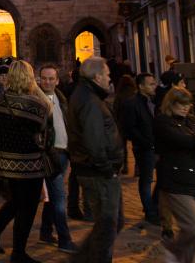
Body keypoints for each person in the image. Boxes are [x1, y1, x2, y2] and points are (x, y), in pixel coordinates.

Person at [0, 60, 50, 263]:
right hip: (29, 163)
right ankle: (18, 252)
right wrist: (36, 89)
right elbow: (46, 117)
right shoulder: (34, 103)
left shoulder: (4, 98)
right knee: (27, 208)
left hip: (7, 163)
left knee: (15, 202)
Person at [68, 56, 123, 263]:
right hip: (98, 172)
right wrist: (107, 168)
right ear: (97, 75)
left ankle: (80, 259)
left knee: (111, 223)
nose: (110, 78)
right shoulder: (90, 100)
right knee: (108, 226)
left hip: (95, 169)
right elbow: (94, 140)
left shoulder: (88, 95)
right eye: (107, 74)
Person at [155, 86, 195, 263]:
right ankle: (174, 250)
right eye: (180, 104)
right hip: (176, 181)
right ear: (171, 104)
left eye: (187, 104)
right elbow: (181, 140)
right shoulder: (163, 121)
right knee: (194, 226)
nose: (185, 107)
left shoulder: (192, 120)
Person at [39, 64, 78, 254]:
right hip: (51, 155)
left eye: (51, 78)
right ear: (39, 80)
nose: (47, 82)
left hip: (64, 152)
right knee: (59, 198)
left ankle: (46, 232)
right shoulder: (38, 100)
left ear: (57, 80)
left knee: (53, 198)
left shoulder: (61, 98)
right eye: (44, 78)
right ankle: (65, 239)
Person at [121, 72, 160, 225]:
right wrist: (145, 142)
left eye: (154, 83)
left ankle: (152, 205)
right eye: (150, 84)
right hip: (144, 148)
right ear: (141, 86)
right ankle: (150, 211)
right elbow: (130, 128)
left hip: (156, 146)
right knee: (146, 179)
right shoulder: (132, 103)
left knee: (162, 176)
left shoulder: (153, 101)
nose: (154, 86)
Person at [111, 74, 137, 175]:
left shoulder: (119, 95)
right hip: (134, 123)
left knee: (123, 147)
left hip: (122, 123)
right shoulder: (134, 94)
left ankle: (125, 165)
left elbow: (115, 110)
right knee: (135, 146)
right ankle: (137, 167)